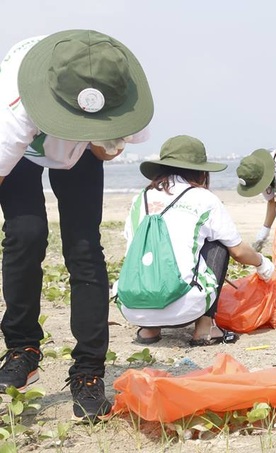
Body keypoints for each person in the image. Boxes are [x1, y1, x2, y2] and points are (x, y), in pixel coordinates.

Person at [0, 30, 154, 421]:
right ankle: (22, 348)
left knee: (84, 249)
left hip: (82, 150)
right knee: (25, 234)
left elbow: (108, 149)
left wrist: (98, 139)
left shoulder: (123, 95)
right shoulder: (14, 106)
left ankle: (88, 371)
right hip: (24, 154)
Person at [119, 135, 275, 346]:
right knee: (218, 244)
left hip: (132, 308)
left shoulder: (141, 197)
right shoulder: (204, 198)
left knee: (148, 248)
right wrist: (263, 264)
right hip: (182, 310)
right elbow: (238, 251)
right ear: (201, 171)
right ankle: (205, 329)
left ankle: (149, 329)